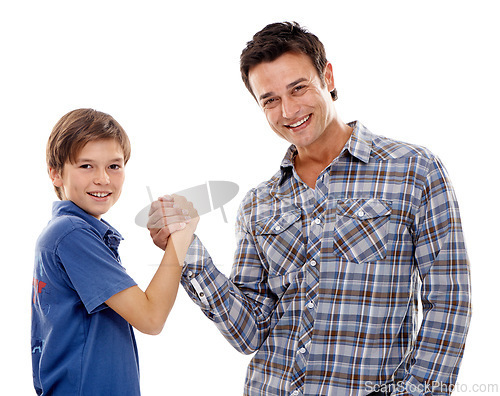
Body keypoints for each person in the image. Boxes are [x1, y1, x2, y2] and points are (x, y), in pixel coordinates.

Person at [149, 22, 471, 396]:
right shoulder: (259, 203)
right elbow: (249, 332)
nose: (289, 110)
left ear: (327, 76)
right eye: (270, 100)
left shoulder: (413, 169)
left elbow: (449, 301)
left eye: (298, 88)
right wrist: (189, 250)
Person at [31, 108, 197, 395]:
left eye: (114, 166)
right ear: (55, 174)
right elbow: (151, 317)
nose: (103, 179)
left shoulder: (76, 231)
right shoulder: (72, 234)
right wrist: (181, 239)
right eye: (86, 166)